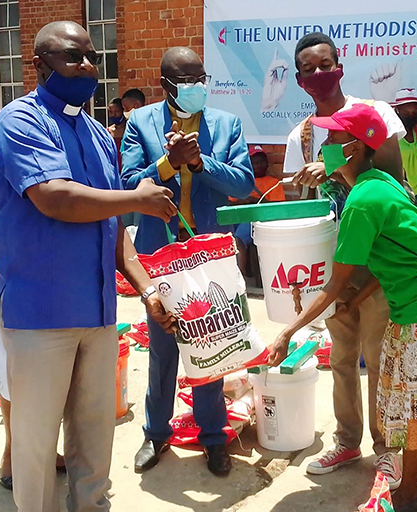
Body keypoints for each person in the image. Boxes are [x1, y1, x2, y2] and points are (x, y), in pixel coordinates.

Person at [0, 21, 177, 512]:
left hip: (97, 313)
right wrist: (137, 197)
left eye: (91, 57)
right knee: (36, 441)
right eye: (73, 57)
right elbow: (56, 199)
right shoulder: (18, 121)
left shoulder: (96, 133)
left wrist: (147, 288)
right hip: (39, 311)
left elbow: (114, 231)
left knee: (96, 436)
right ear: (40, 65)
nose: (87, 66)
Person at [270, 103, 417, 512]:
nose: (325, 147)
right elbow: (390, 264)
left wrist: (286, 331)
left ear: (354, 147)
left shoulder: (362, 201)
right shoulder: (380, 182)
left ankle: (406, 497)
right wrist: (356, 298)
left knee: (411, 405)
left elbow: (333, 283)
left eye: (332, 139)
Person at [121, 46, 255, 476]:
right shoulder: (139, 123)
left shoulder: (226, 124)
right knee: (163, 348)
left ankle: (213, 436)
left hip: (208, 255)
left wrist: (198, 162)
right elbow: (125, 183)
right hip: (159, 256)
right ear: (165, 86)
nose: (197, 87)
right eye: (187, 81)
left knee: (212, 346)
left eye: (202, 79)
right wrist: (166, 164)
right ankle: (156, 434)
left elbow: (243, 182)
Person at [283, 32, 406, 486]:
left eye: (325, 64)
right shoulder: (301, 135)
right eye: (309, 69)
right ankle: (348, 441)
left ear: (340, 65)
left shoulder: (374, 114)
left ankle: (387, 449)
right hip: (334, 262)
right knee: (341, 357)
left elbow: (395, 184)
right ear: (299, 80)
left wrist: (334, 165)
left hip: (377, 262)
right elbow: (304, 208)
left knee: (379, 358)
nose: (319, 74)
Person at [0, 165, 65, 491]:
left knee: (50, 373)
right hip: (7, 280)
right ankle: (12, 453)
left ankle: (45, 450)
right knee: (11, 372)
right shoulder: (2, 157)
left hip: (49, 274)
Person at [233, 145, 286, 279]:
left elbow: (277, 208)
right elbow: (230, 202)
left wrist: (256, 201)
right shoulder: (242, 183)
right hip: (239, 220)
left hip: (259, 222)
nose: (259, 165)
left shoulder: (274, 183)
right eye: (255, 162)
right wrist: (246, 200)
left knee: (238, 239)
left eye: (262, 161)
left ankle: (241, 276)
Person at [107, 97, 126, 168]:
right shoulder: (107, 132)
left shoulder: (130, 130)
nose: (113, 115)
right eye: (111, 112)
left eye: (116, 111)